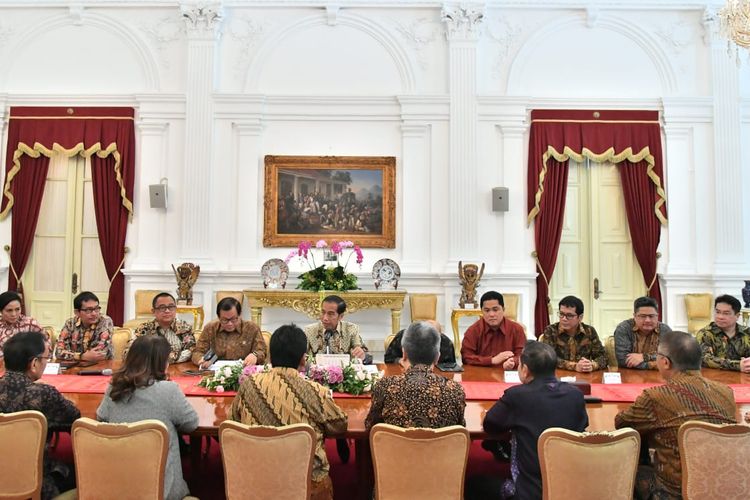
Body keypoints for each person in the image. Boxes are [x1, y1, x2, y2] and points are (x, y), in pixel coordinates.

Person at [230, 324, 348, 500]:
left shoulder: (249, 384)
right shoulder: (315, 391)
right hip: (306, 482)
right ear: (303, 359)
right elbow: (340, 426)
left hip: (256, 477)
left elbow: (233, 422)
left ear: (270, 357)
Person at [615, 330, 736, 499]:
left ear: (665, 362)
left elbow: (622, 424)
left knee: (627, 470)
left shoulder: (655, 397)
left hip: (674, 492)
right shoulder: (727, 392)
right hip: (726, 486)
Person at [97, 335, 199, 500]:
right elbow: (191, 424)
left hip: (118, 488)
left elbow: (102, 419)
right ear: (161, 363)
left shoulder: (114, 387)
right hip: (163, 492)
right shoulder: (168, 390)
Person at [483, 342, 588, 500]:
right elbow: (582, 425)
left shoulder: (517, 396)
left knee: (474, 484)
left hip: (529, 492)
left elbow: (490, 425)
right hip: (568, 487)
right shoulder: (575, 394)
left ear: (525, 370)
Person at [0, 331, 80, 499]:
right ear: (34, 363)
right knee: (82, 471)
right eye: (45, 358)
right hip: (36, 482)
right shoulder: (43, 393)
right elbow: (75, 419)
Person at [366, 321, 466, 429]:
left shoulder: (385, 386)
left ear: (404, 354)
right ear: (437, 357)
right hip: (438, 446)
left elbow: (371, 426)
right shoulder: (455, 390)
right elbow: (459, 429)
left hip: (396, 446)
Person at [191, 297, 266, 368]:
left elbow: (262, 351)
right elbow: (197, 352)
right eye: (225, 320)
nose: (229, 324)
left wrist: (255, 355)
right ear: (218, 317)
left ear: (240, 315)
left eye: (233, 319)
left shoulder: (252, 328)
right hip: (215, 374)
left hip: (244, 373)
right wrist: (201, 360)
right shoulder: (210, 328)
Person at [540, 296, 607, 372]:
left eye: (569, 315)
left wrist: (591, 365)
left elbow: (603, 357)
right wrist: (574, 366)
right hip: (558, 376)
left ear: (580, 317)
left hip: (583, 376)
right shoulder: (551, 330)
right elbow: (547, 358)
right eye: (561, 314)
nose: (564, 319)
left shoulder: (589, 331)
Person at [461, 291, 527, 368]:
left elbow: (523, 355)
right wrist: (492, 360)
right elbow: (466, 357)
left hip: (508, 374)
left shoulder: (516, 329)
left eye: (495, 310)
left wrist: (513, 362)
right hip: (481, 375)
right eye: (487, 310)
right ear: (481, 311)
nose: (491, 314)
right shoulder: (473, 331)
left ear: (503, 309)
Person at [128, 292, 195, 363]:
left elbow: (191, 351)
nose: (167, 311)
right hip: (151, 371)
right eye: (162, 307)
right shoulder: (144, 329)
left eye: (171, 307)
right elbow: (128, 353)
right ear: (153, 311)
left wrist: (154, 358)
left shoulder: (185, 328)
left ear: (175, 309)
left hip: (178, 370)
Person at [304, 295, 368, 362]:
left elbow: (366, 356)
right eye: (323, 312)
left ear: (341, 316)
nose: (325, 318)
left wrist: (362, 354)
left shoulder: (351, 329)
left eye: (330, 314)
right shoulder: (309, 330)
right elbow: (300, 355)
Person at [614, 296, 672, 369]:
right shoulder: (624, 329)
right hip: (629, 375)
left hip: (659, 376)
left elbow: (670, 356)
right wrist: (655, 364)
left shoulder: (665, 330)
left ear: (657, 316)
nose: (647, 320)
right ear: (634, 316)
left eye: (651, 316)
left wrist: (644, 357)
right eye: (643, 316)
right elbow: (623, 361)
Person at [696, 294, 750, 372]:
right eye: (718, 312)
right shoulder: (705, 334)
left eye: (726, 313)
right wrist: (738, 365)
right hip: (715, 378)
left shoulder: (747, 333)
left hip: (744, 379)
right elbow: (705, 359)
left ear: (737, 316)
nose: (720, 317)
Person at [56, 291, 114, 361]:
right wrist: (82, 356)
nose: (94, 313)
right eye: (89, 310)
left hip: (101, 366)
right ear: (77, 312)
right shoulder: (70, 323)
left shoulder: (105, 321)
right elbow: (59, 352)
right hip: (75, 367)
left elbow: (99, 354)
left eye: (96, 309)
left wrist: (73, 355)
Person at [383, 319, 456, 365]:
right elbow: (388, 358)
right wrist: (399, 361)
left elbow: (452, 366)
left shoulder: (446, 343)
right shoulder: (404, 337)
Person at [0, 290, 45, 358]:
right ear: (1, 311)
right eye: (9, 310)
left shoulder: (31, 324)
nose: (14, 314)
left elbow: (46, 345)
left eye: (17, 309)